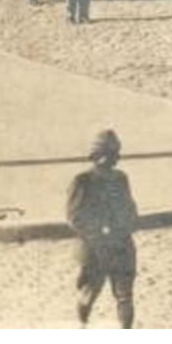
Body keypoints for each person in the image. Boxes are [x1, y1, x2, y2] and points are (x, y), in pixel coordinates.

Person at [68, 129, 139, 329]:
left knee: (125, 296)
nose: (110, 159)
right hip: (94, 247)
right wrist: (100, 232)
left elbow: (131, 208)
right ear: (96, 155)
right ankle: (82, 324)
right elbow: (74, 217)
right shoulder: (82, 181)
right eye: (105, 154)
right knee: (90, 292)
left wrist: (126, 226)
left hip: (121, 245)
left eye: (113, 153)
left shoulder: (121, 178)